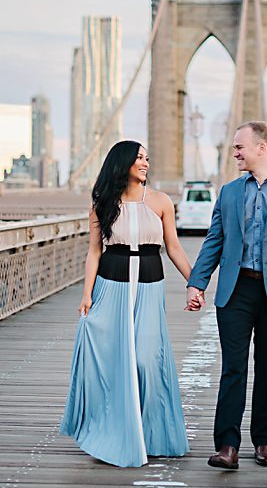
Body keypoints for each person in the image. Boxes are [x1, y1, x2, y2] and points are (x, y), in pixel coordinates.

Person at [186, 121, 267, 469]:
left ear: (262, 148)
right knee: (233, 368)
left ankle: (263, 442)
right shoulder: (229, 192)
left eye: (239, 147)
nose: (234, 153)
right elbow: (214, 239)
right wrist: (197, 283)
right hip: (236, 289)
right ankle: (227, 445)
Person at [60, 140, 193, 467]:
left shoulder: (161, 202)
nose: (146, 163)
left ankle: (150, 434)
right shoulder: (101, 203)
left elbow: (173, 247)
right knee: (114, 360)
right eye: (139, 158)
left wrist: (196, 282)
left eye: (148, 158)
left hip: (150, 285)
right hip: (111, 286)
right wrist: (87, 293)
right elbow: (94, 251)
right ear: (123, 164)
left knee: (148, 359)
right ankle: (114, 431)